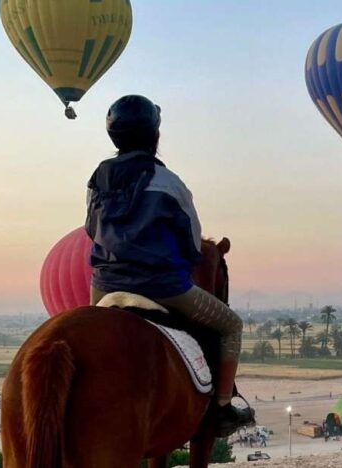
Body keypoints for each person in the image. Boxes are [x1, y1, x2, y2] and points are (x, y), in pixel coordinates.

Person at [86, 95, 252, 434]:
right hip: (162, 287)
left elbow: (92, 229)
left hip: (104, 285)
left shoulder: (97, 178)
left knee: (88, 336)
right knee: (231, 326)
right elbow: (192, 244)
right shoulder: (169, 182)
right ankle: (222, 407)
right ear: (155, 135)